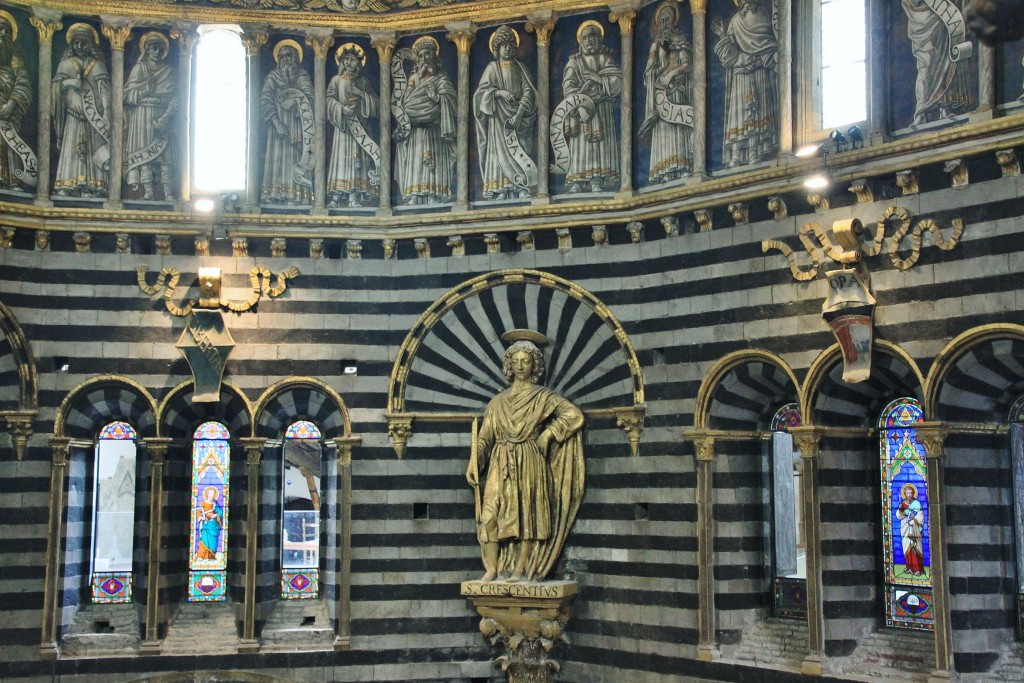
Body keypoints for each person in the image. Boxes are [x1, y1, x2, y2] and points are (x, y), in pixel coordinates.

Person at [466, 331, 585, 583]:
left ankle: (521, 570)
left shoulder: (543, 396)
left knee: (526, 513)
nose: (520, 366)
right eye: (516, 361)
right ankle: (492, 568)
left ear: (535, 364)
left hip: (529, 457)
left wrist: (548, 435)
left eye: (526, 361)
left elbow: (574, 415)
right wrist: (475, 461)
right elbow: (486, 436)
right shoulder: (496, 402)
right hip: (500, 458)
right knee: (489, 515)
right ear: (509, 365)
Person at [712, 0, 779, 168]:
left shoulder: (762, 14)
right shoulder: (735, 21)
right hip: (740, 73)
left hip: (757, 70)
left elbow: (768, 42)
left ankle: (753, 153)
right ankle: (735, 156)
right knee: (738, 116)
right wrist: (722, 35)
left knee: (755, 113)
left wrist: (762, 58)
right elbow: (729, 55)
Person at [473, 25, 537, 200]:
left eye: (510, 44)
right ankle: (502, 189)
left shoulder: (520, 67)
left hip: (519, 117)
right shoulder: (492, 68)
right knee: (499, 153)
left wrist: (519, 114)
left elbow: (529, 91)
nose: (507, 48)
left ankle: (521, 187)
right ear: (497, 48)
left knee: (520, 150)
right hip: (498, 120)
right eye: (503, 45)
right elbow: (480, 95)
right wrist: (498, 93)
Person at [393, 36, 457, 204]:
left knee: (433, 161)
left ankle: (433, 194)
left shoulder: (441, 78)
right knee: (416, 161)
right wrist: (418, 80)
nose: (424, 59)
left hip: (434, 128)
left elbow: (449, 99)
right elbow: (405, 101)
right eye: (420, 56)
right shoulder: (413, 79)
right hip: (415, 129)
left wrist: (435, 97)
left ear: (434, 56)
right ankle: (415, 194)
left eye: (427, 54)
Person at [560, 21, 621, 193]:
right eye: (585, 37)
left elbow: (618, 83)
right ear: (580, 41)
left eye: (593, 36)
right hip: (581, 111)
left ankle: (597, 179)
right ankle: (578, 181)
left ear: (599, 39)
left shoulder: (605, 59)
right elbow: (568, 87)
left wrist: (599, 79)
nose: (589, 41)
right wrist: (579, 107)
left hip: (601, 109)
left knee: (598, 145)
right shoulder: (574, 63)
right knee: (580, 145)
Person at [52, 23, 111, 197]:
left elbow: (105, 91)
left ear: (90, 44)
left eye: (83, 43)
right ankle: (67, 186)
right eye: (76, 43)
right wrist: (66, 83)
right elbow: (54, 89)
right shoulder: (65, 64)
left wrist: (107, 112)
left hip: (93, 120)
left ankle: (92, 187)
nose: (79, 47)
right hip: (72, 117)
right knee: (72, 151)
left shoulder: (97, 65)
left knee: (91, 151)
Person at [639, 2, 693, 184]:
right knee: (664, 132)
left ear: (674, 22)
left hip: (677, 92)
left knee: (678, 127)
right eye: (661, 20)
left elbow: (688, 64)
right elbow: (648, 73)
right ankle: (665, 170)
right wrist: (657, 71)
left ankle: (682, 166)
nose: (664, 23)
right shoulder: (655, 46)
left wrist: (672, 72)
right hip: (661, 94)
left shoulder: (680, 40)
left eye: (667, 19)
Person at [124, 32, 178, 201]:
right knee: (144, 156)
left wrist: (166, 117)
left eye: (160, 49)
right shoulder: (139, 69)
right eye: (154, 48)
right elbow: (128, 94)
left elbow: (177, 96)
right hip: (142, 115)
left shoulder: (169, 71)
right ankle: (148, 192)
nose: (157, 52)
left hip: (162, 113)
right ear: (147, 49)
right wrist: (146, 90)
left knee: (165, 158)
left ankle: (168, 193)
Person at [901, 0, 975, 125]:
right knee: (925, 65)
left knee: (946, 63)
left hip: (943, 19)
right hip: (923, 18)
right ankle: (921, 111)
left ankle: (944, 108)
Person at [261, 40, 314, 205]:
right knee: (277, 159)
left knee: (296, 157)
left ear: (296, 58)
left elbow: (310, 97)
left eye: (289, 56)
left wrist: (297, 102)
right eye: (282, 56)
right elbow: (265, 99)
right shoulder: (272, 77)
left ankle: (297, 195)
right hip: (278, 127)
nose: (285, 60)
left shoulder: (302, 76)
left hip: (299, 126)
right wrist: (276, 122)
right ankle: (275, 194)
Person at [326, 43, 379, 208]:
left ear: (359, 63)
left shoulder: (363, 81)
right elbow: (328, 101)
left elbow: (377, 104)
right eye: (346, 59)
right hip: (343, 129)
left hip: (360, 129)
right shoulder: (335, 81)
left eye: (353, 59)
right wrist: (342, 109)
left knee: (358, 162)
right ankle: (336, 196)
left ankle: (354, 195)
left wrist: (361, 95)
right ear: (341, 62)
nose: (349, 62)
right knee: (341, 161)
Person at [0, 11, 33, 190]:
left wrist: (11, 104)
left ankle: (12, 180)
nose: (3, 34)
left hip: (8, 112)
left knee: (9, 143)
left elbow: (23, 82)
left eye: (6, 30)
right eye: (0, 29)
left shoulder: (14, 59)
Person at [896, 483, 926, 576]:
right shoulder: (903, 504)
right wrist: (900, 510)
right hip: (905, 530)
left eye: (910, 493)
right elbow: (899, 516)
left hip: (915, 530)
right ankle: (909, 567)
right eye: (907, 493)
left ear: (913, 493)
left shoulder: (917, 503)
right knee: (907, 548)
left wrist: (914, 521)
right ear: (905, 494)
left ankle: (918, 569)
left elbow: (920, 515)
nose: (909, 495)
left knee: (916, 548)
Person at [195, 486, 223, 561]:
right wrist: (201, 518)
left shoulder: (215, 503)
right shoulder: (203, 503)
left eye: (214, 494)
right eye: (211, 493)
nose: (213, 495)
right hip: (206, 524)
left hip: (213, 524)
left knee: (213, 542)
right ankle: (201, 556)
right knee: (204, 539)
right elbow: (199, 512)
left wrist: (216, 515)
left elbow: (220, 511)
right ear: (207, 494)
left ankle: (211, 556)